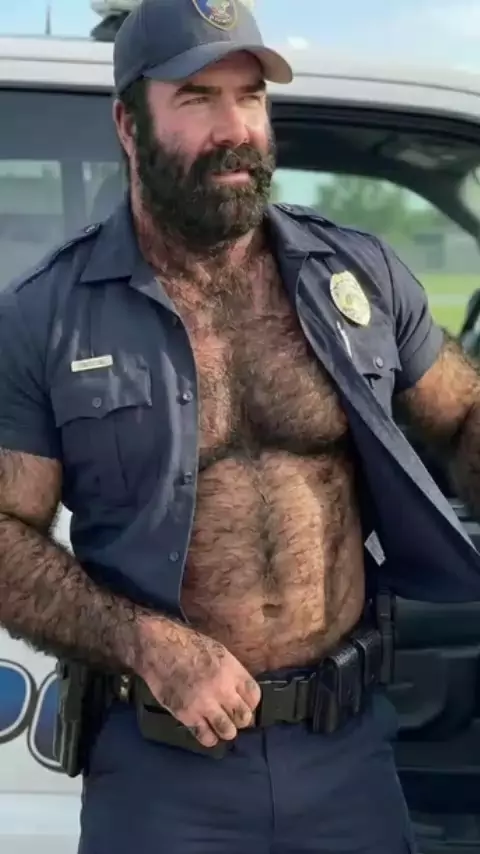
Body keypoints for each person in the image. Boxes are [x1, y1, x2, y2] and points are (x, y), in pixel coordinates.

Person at [1, 0, 480, 851]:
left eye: (250, 96)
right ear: (128, 125)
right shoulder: (47, 317)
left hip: (348, 755)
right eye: (197, 98)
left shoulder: (359, 280)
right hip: (161, 773)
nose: (236, 129)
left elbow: (464, 413)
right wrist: (144, 643)